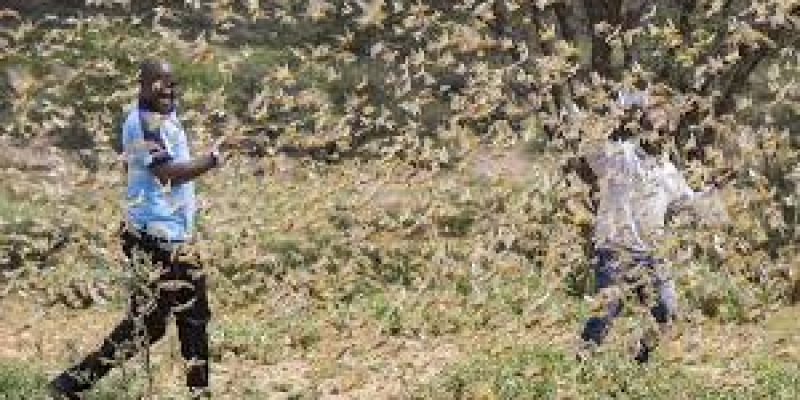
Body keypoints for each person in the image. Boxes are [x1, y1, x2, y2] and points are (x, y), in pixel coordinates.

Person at [49, 59, 228, 399]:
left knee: (189, 317)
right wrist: (212, 161)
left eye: (173, 84)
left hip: (174, 236)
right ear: (143, 85)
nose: (168, 90)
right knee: (151, 322)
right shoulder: (143, 122)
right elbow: (165, 172)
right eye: (160, 83)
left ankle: (199, 394)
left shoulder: (164, 118)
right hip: (154, 237)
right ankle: (70, 383)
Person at [575, 89, 730, 363]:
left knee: (667, 311)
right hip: (615, 251)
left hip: (652, 254)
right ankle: (582, 362)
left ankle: (640, 360)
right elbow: (590, 148)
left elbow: (688, 203)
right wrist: (621, 106)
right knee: (605, 313)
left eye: (665, 132)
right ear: (641, 131)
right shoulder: (620, 157)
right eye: (655, 130)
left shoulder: (668, 171)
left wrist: (714, 188)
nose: (661, 137)